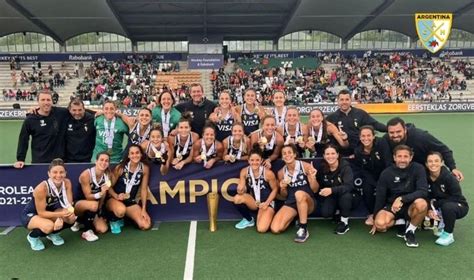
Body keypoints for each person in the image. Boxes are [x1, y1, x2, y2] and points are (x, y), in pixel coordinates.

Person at [370, 145, 428, 248]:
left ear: (411, 157)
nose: (402, 160)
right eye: (399, 156)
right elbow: (380, 196)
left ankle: (410, 231)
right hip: (392, 206)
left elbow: (423, 191)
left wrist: (402, 199)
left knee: (422, 204)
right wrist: (375, 217)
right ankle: (400, 222)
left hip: (411, 205)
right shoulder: (386, 173)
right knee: (380, 225)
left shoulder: (418, 169)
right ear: (394, 157)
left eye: (405, 157)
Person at [382, 117, 464, 181]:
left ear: (405, 130)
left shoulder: (421, 137)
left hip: (424, 169)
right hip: (401, 170)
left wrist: (453, 168)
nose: (395, 135)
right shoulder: (385, 140)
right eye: (392, 132)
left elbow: (443, 149)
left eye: (398, 131)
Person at [20, 159, 76, 251]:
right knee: (49, 226)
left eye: (61, 172)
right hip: (31, 215)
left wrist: (62, 216)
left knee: (71, 218)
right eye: (55, 172)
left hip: (49, 212)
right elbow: (41, 213)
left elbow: (69, 206)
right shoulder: (41, 188)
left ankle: (52, 234)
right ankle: (32, 237)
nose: (58, 175)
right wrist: (60, 216)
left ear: (65, 173)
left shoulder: (67, 183)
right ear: (49, 174)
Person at [270, 144, 318, 243]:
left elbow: (315, 190)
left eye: (289, 152)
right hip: (292, 203)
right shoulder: (281, 173)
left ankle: (303, 228)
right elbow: (284, 196)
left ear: (295, 154)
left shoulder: (305, 166)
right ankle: (295, 217)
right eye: (284, 153)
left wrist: (313, 178)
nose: (287, 155)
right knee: (276, 229)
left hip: (307, 202)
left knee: (299, 194)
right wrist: (282, 188)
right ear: (282, 157)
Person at [15, 91, 69, 167]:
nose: (46, 102)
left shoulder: (61, 112)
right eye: (43, 100)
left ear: (52, 101)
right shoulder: (30, 119)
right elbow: (23, 139)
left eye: (48, 100)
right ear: (38, 101)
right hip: (40, 162)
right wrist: (20, 159)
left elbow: (77, 110)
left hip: (59, 163)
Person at [106, 144, 152, 234]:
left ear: (141, 154)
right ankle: (113, 219)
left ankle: (125, 217)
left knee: (145, 225)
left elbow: (143, 189)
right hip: (114, 199)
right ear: (128, 155)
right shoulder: (121, 168)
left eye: (137, 153)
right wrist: (116, 196)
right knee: (120, 210)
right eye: (132, 153)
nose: (135, 155)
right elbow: (109, 187)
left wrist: (143, 209)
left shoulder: (144, 168)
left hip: (130, 201)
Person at [425, 152, 469, 246]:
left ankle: (448, 234)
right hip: (438, 205)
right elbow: (425, 195)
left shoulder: (449, 177)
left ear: (441, 163)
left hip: (458, 206)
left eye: (436, 161)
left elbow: (456, 197)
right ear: (426, 164)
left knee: (448, 207)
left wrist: (436, 205)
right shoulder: (425, 177)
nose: (433, 164)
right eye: (430, 161)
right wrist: (429, 208)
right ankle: (440, 224)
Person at [326, 89, 386, 155]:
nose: (344, 102)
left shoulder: (360, 113)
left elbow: (375, 124)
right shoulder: (331, 118)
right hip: (341, 154)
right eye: (342, 100)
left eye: (347, 99)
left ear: (351, 100)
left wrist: (388, 129)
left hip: (360, 152)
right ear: (338, 101)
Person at [233, 144, 278, 232]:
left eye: (257, 160)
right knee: (237, 198)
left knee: (261, 229)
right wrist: (240, 188)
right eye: (252, 160)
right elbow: (241, 189)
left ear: (261, 160)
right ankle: (249, 220)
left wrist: (266, 203)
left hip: (267, 202)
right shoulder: (244, 171)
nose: (254, 162)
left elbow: (275, 189)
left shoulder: (268, 173)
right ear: (248, 160)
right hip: (254, 202)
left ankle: (270, 214)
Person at [353, 125, 391, 225]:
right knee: (367, 188)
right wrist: (373, 182)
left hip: (386, 173)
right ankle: (372, 214)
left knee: (383, 189)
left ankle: (384, 213)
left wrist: (382, 181)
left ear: (374, 136)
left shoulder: (382, 143)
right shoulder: (358, 150)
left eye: (369, 135)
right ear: (360, 137)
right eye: (363, 136)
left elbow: (388, 162)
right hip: (370, 175)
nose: (366, 138)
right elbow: (362, 169)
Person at [74, 152, 112, 241]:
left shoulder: (107, 175)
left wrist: (99, 211)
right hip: (79, 204)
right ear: (96, 161)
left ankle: (80, 221)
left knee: (103, 229)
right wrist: (101, 193)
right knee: (93, 204)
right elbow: (88, 197)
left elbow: (104, 195)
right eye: (101, 160)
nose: (104, 162)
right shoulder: (86, 175)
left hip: (94, 206)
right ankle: (87, 231)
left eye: (106, 161)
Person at [316, 144, 354, 234]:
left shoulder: (345, 167)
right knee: (326, 213)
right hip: (332, 197)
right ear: (324, 156)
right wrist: (312, 177)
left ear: (337, 155)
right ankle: (337, 213)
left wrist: (332, 190)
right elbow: (319, 186)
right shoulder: (322, 168)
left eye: (333, 153)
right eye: (327, 154)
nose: (330, 156)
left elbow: (349, 186)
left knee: (346, 196)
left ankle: (344, 222)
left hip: (347, 196)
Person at [65, 98, 96, 162]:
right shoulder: (65, 118)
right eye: (74, 110)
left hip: (88, 159)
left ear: (84, 109)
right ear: (69, 110)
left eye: (80, 110)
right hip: (69, 160)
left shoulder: (91, 119)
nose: (77, 113)